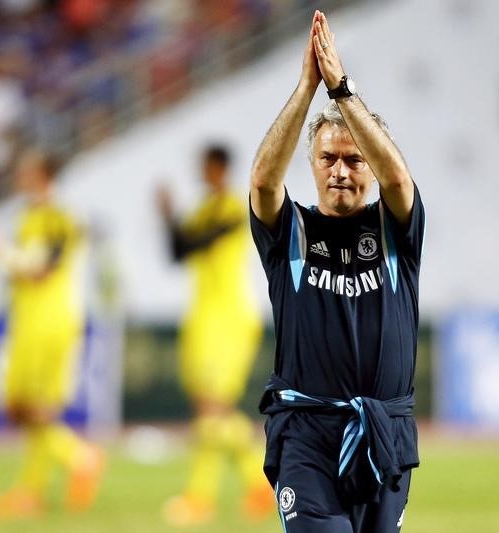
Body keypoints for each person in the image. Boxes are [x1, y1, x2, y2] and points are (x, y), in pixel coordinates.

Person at [249, 10, 424, 532]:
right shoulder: (292, 232)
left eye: (353, 159)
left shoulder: (397, 230)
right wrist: (307, 88)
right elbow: (261, 183)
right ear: (312, 164)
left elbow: (398, 176)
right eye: (328, 159)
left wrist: (342, 91)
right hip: (307, 434)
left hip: (384, 431)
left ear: (368, 166)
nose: (340, 171)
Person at [0, 149, 105, 520]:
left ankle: (41, 484)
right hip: (27, 321)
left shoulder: (64, 218)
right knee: (17, 407)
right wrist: (0, 254)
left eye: (27, 170)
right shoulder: (27, 217)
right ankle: (75, 459)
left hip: (53, 322)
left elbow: (40, 268)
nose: (19, 176)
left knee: (37, 408)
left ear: (44, 175)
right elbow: (21, 269)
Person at [156, 145, 273, 527]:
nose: (202, 173)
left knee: (211, 409)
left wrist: (176, 219)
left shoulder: (232, 208)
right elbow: (177, 252)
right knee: (211, 410)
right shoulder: (205, 209)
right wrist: (168, 217)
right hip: (205, 316)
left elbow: (196, 242)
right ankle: (258, 485)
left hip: (230, 317)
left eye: (206, 166)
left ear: (220, 167)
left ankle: (199, 498)